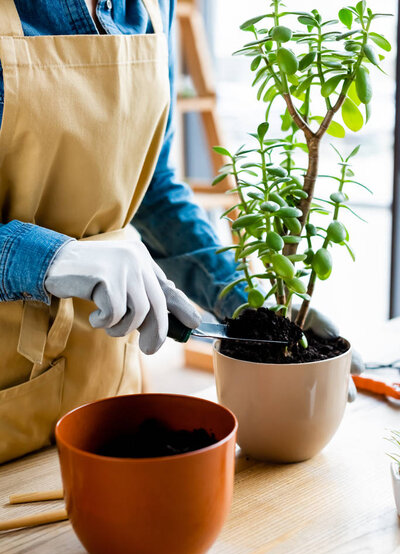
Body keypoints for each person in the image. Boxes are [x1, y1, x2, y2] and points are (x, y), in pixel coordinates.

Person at [0, 0, 360, 464]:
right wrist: (50, 258)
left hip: (106, 399)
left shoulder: (152, 5)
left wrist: (246, 305)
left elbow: (153, 188)